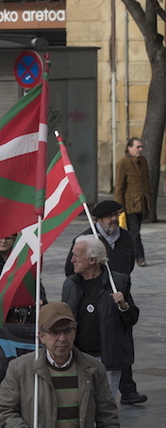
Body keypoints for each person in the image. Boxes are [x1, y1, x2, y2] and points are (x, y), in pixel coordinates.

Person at [61, 200, 144, 404]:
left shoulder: (125, 239)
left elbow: (131, 315)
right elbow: (70, 271)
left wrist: (121, 297)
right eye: (109, 216)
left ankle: (128, 387)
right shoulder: (85, 242)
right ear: (98, 219)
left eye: (116, 214)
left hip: (115, 300)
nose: (114, 219)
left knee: (117, 339)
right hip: (81, 353)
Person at [114, 137, 150, 267]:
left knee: (133, 233)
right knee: (134, 233)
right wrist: (119, 208)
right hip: (129, 205)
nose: (140, 149)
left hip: (141, 204)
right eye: (137, 147)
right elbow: (119, 187)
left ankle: (127, 254)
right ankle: (140, 257)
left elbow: (146, 180)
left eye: (141, 147)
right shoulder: (123, 163)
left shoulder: (143, 161)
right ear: (129, 148)